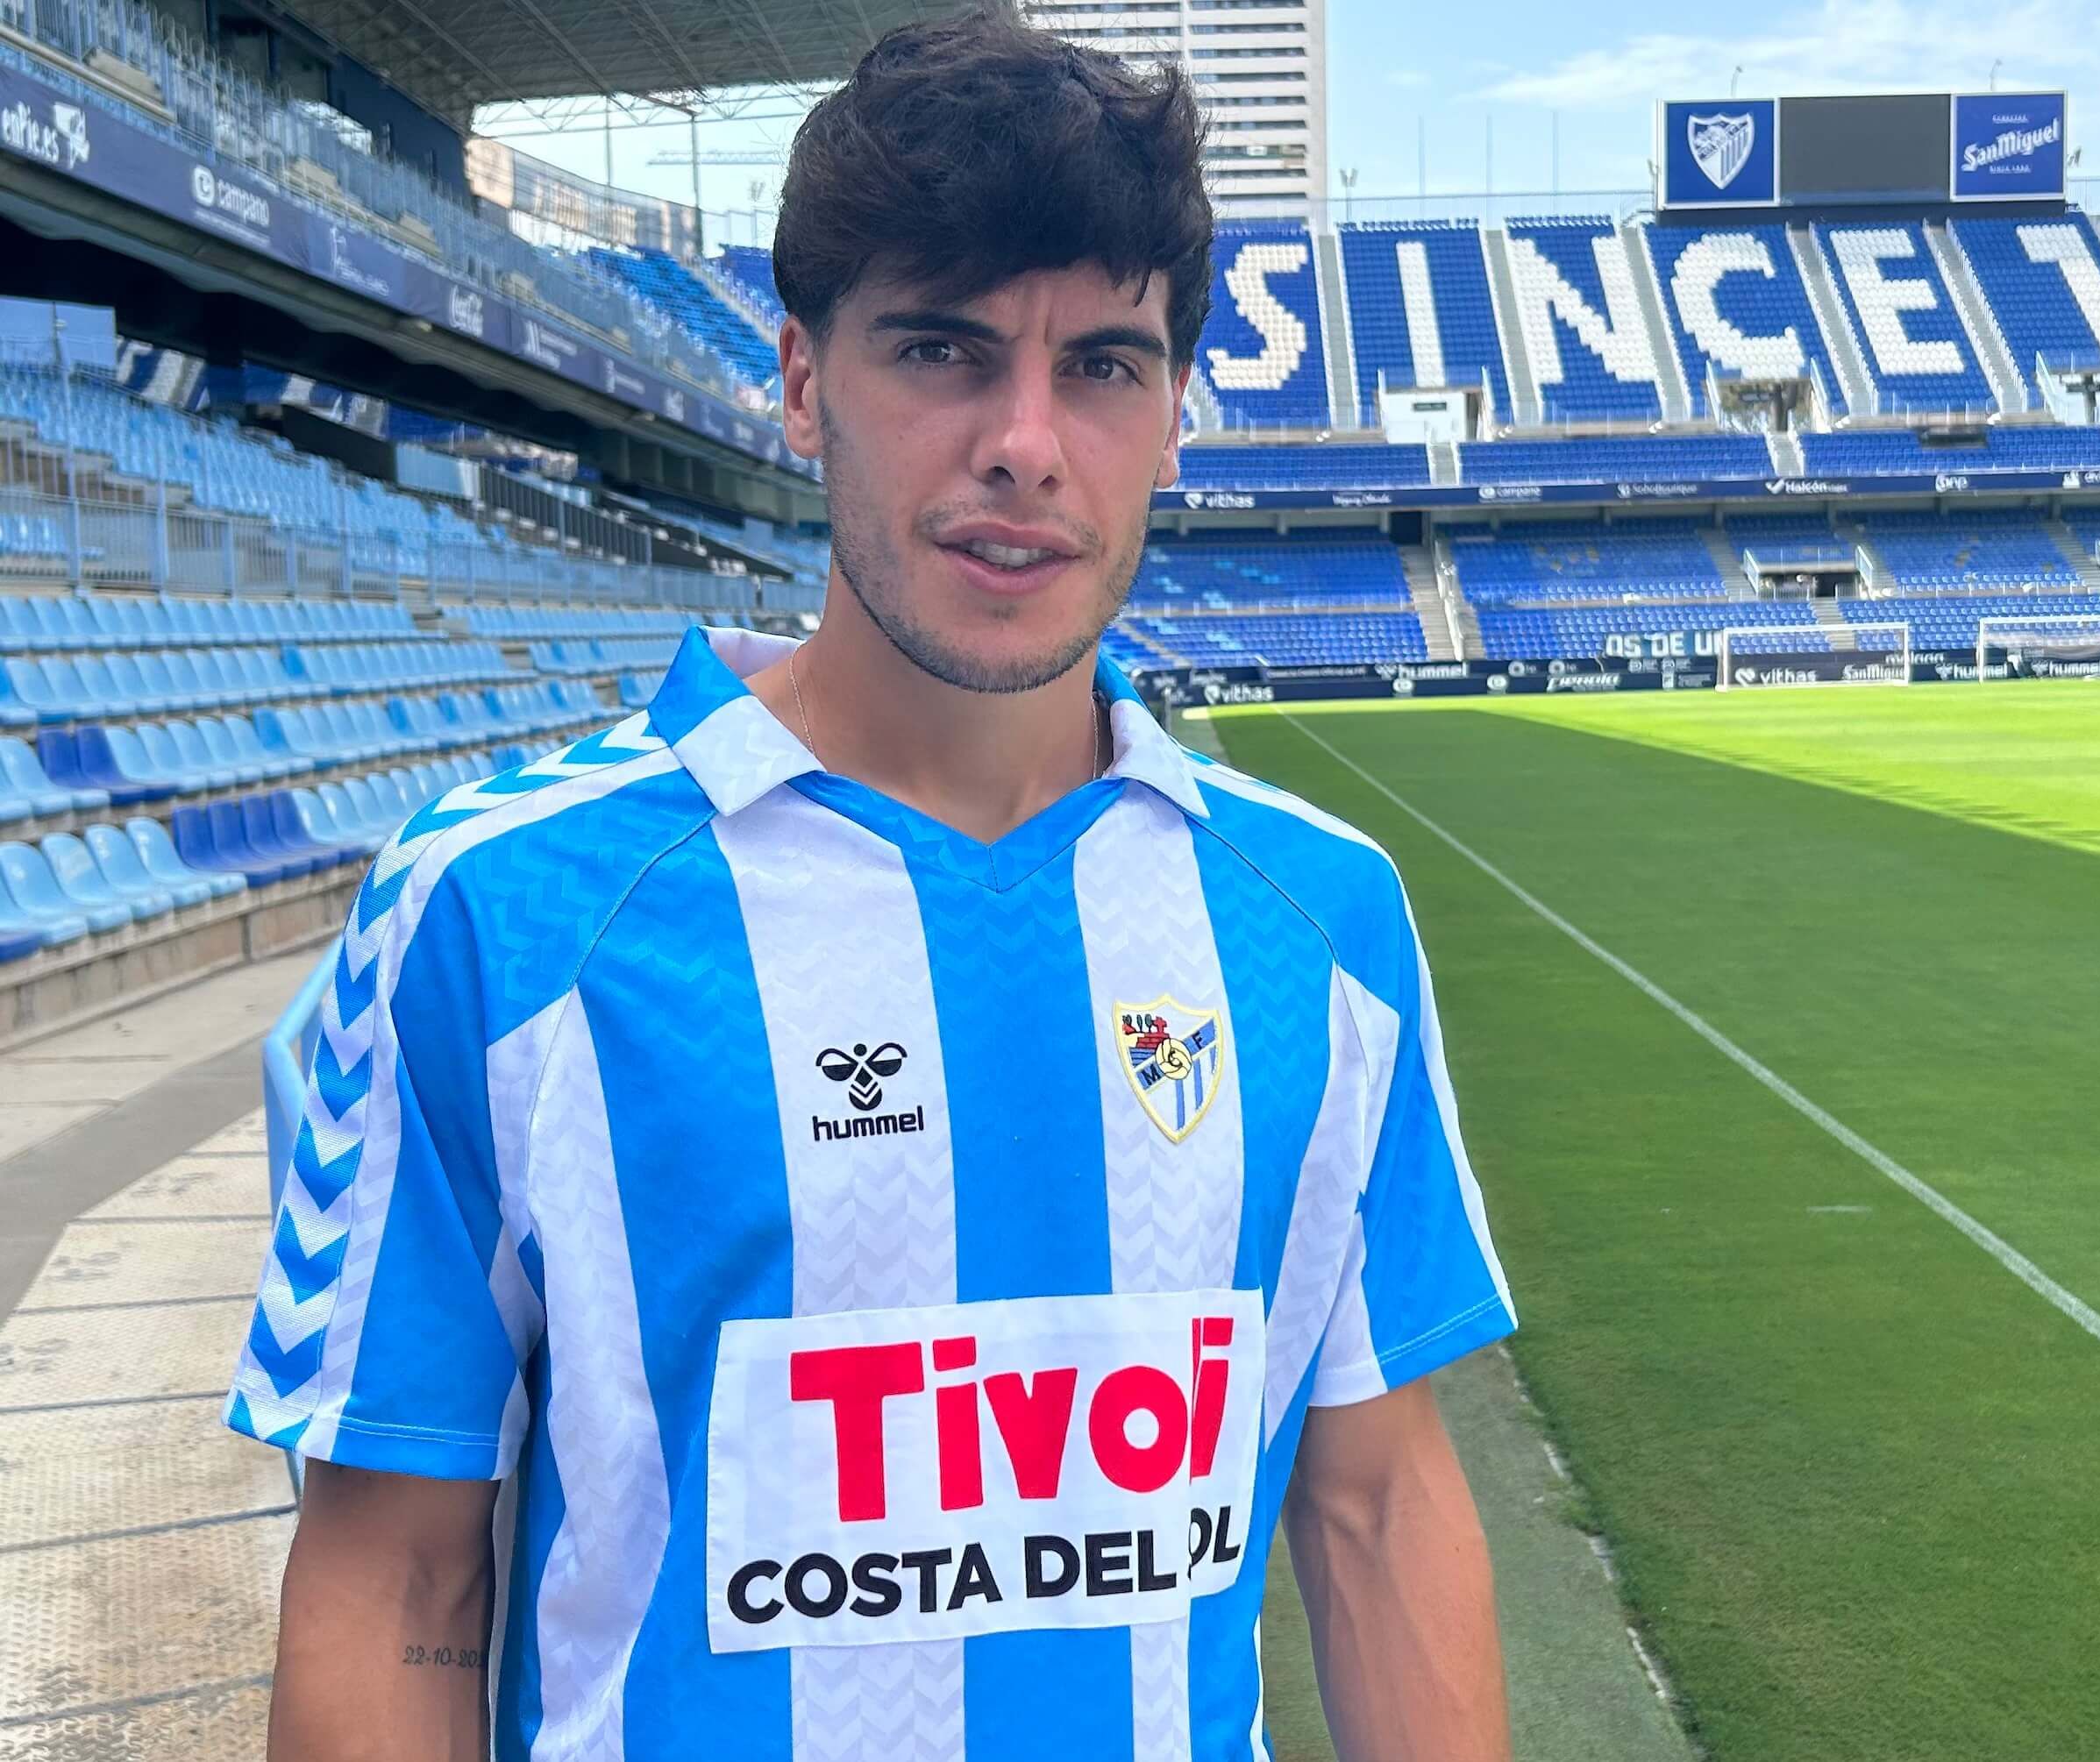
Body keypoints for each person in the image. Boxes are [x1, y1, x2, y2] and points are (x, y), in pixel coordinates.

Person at [225, 10, 1516, 1758]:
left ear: (1174, 413)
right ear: (802, 379)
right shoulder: (500, 910)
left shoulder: (1320, 918)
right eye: (940, 351)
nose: (1025, 444)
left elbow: (1370, 1511)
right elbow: (400, 1577)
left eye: (1105, 368)